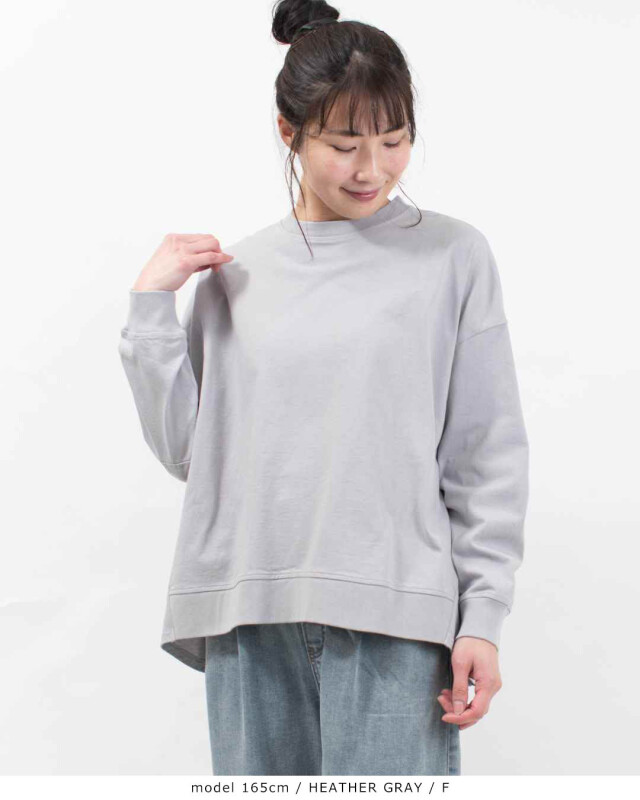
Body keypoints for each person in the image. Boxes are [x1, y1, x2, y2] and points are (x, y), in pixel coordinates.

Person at [117, 0, 529, 777]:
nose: (372, 169)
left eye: (394, 140)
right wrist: (149, 311)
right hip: (249, 615)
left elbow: (485, 453)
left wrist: (483, 615)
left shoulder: (452, 257)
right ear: (289, 132)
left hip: (395, 618)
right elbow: (193, 457)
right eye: (344, 145)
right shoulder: (233, 276)